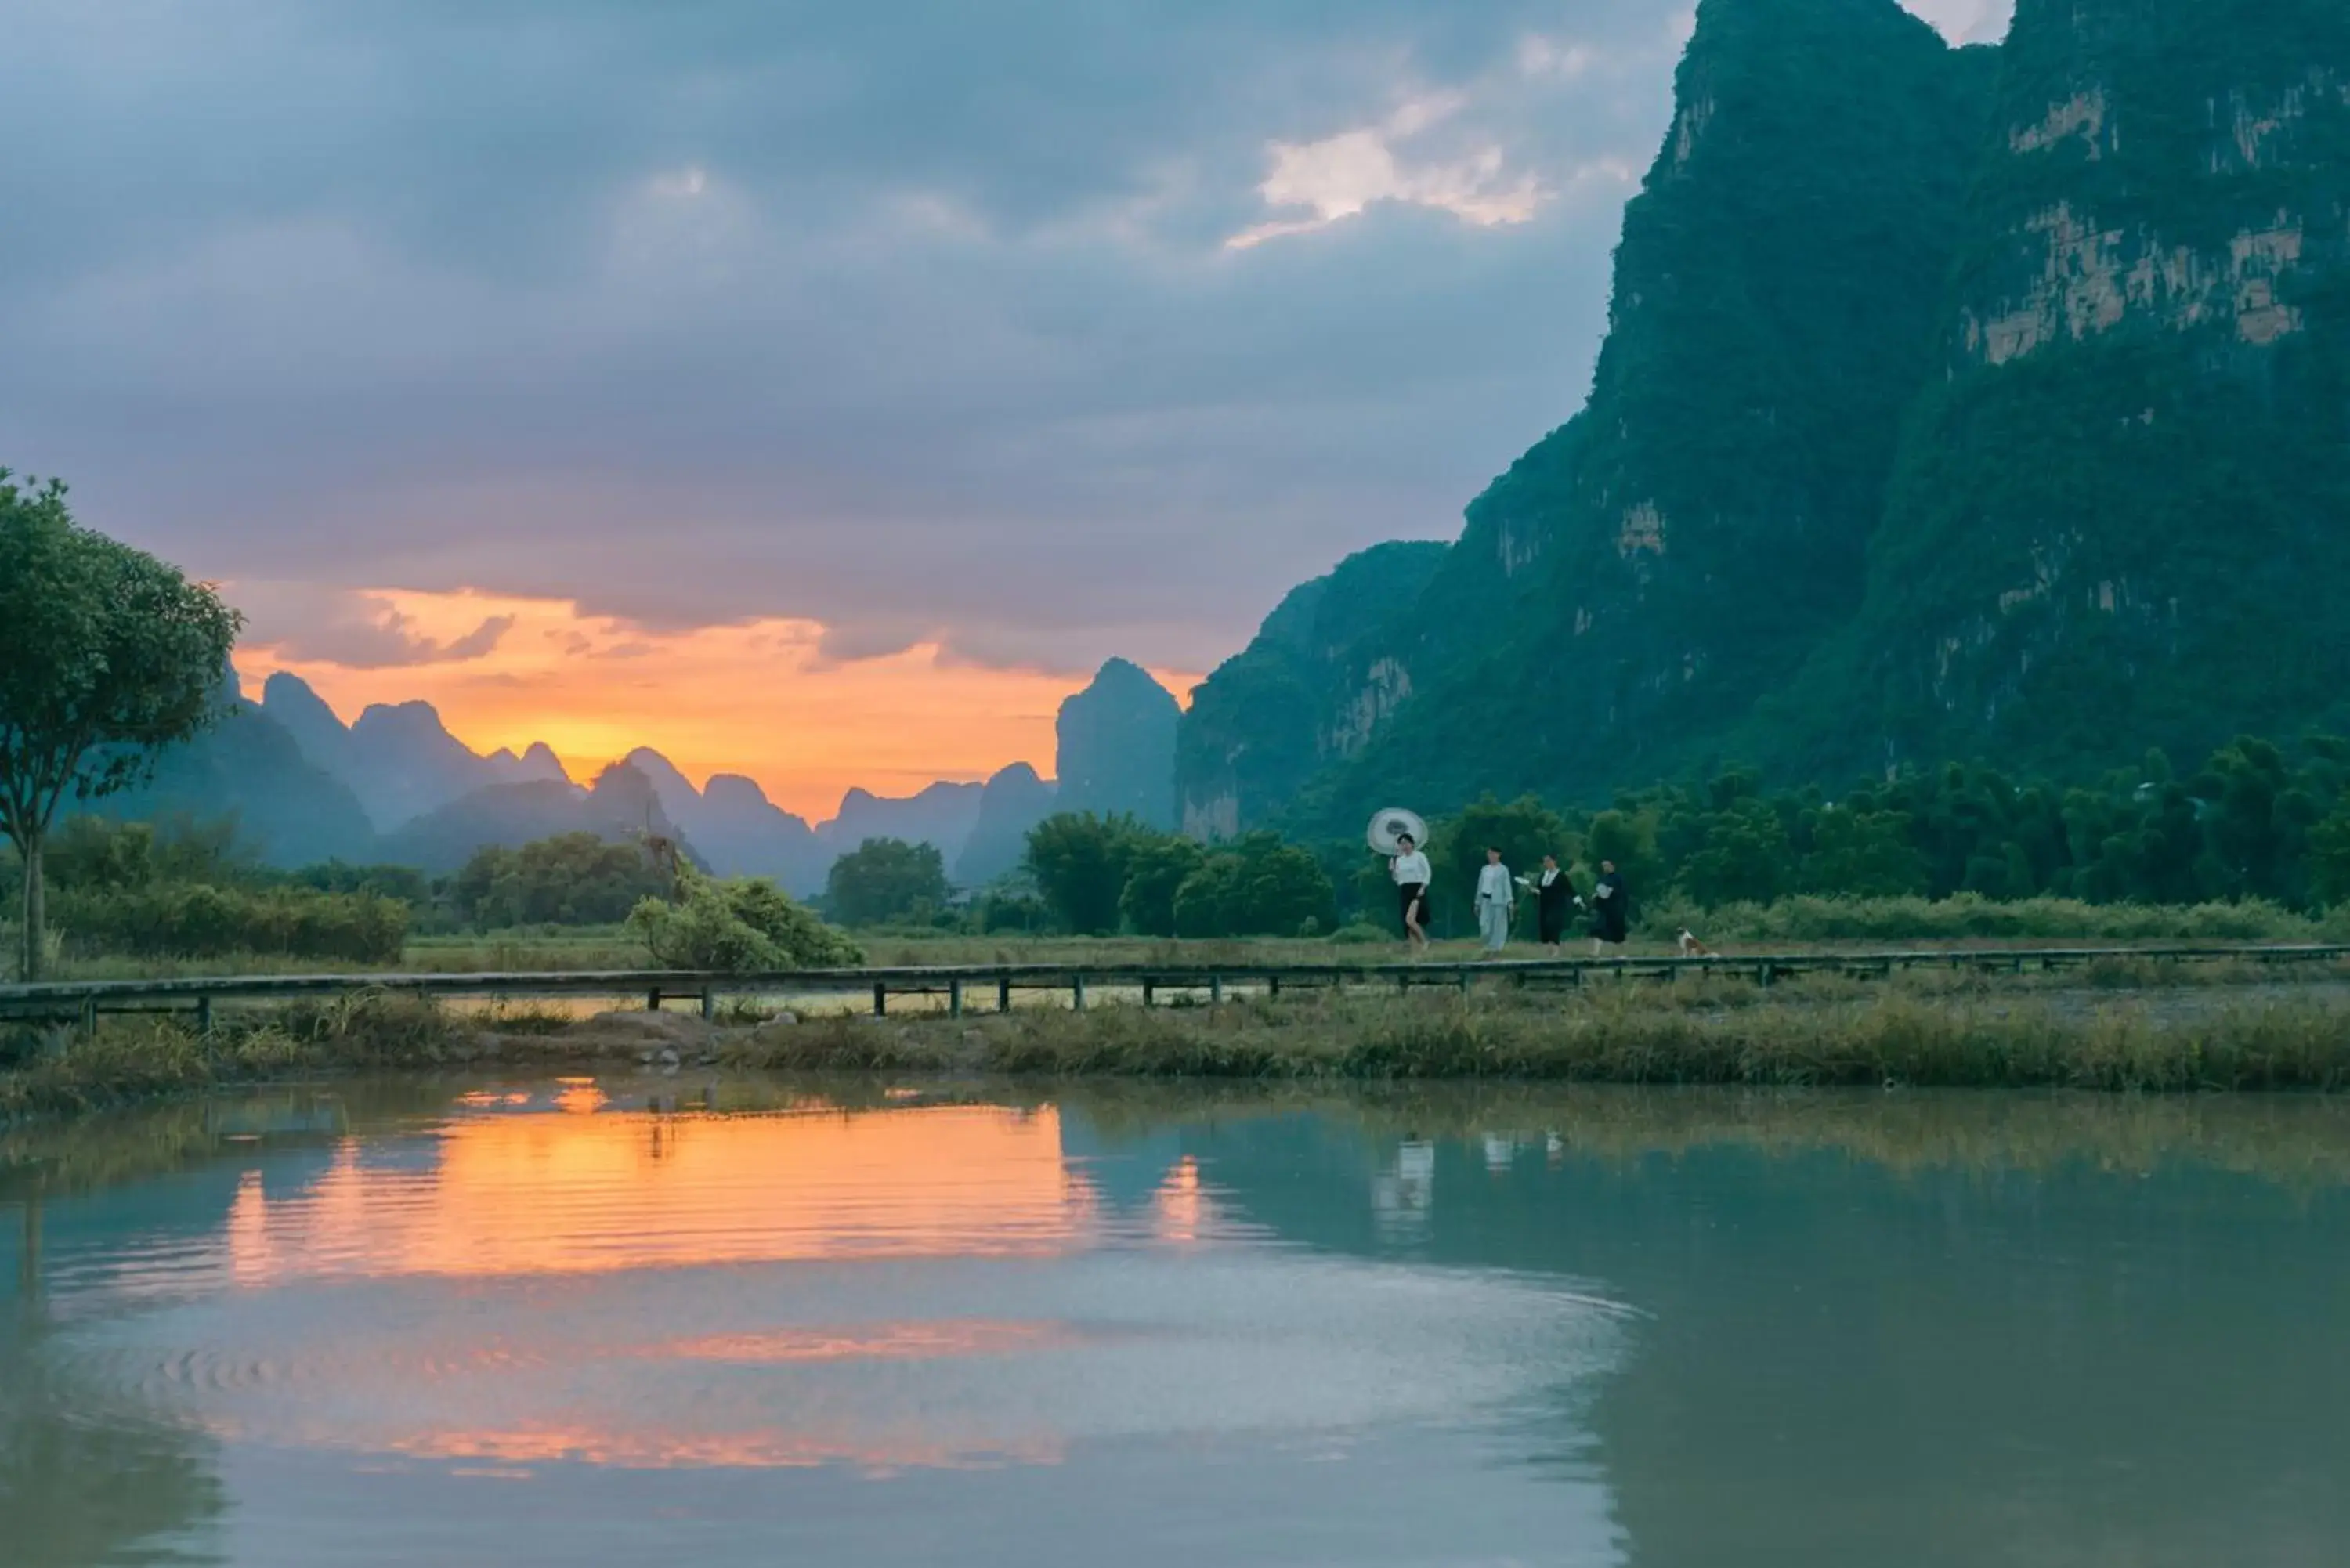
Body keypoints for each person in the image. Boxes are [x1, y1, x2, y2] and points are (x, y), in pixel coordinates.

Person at [1389, 833, 1431, 952]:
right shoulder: (1400, 860)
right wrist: (1392, 870)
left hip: (1417, 889)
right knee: (1407, 923)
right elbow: (1397, 879)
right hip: (1404, 890)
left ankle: (1424, 941)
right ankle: (1414, 947)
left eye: (1406, 843)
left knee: (1410, 919)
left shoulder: (1419, 856)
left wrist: (1423, 887)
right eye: (1401, 844)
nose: (1404, 846)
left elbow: (1427, 872)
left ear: (1411, 844)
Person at [1531, 854, 1578, 954]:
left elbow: (1569, 889)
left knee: (1553, 924)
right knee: (1545, 925)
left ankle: (1555, 949)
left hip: (1557, 904)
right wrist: (1534, 891)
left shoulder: (1561, 875)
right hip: (1544, 904)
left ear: (1554, 861)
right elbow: (1539, 889)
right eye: (1545, 861)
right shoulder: (1543, 875)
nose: (1547, 863)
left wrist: (1577, 901)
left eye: (1548, 861)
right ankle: (1548, 948)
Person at [1474, 847, 1514, 958]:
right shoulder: (1485, 869)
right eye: (1489, 854)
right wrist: (1477, 902)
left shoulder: (1503, 870)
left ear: (1498, 855)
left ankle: (1496, 948)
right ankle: (1487, 944)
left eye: (1493, 854)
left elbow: (1507, 886)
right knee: (1484, 924)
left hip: (1498, 900)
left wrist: (1509, 901)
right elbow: (1480, 886)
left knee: (1498, 925)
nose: (1491, 856)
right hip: (1485, 899)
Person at [1589, 858, 1630, 956]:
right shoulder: (1602, 879)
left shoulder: (1618, 878)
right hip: (1605, 910)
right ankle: (1595, 952)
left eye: (1607, 865)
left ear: (1612, 866)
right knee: (1598, 929)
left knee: (1619, 935)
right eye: (1603, 866)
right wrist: (1596, 898)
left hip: (1616, 910)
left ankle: (1622, 955)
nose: (1605, 868)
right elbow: (1600, 892)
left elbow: (1622, 893)